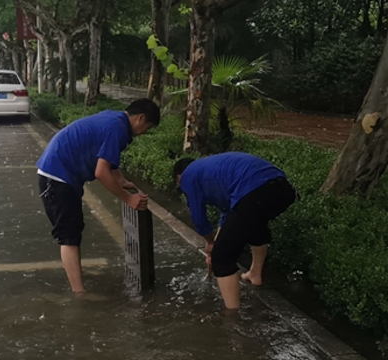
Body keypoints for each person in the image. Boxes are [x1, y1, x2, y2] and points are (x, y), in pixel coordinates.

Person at [37, 98, 161, 295]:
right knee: (69, 236)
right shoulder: (118, 129)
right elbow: (101, 172)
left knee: (74, 230)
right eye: (147, 127)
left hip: (59, 173)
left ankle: (78, 283)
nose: (145, 132)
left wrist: (119, 179)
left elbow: (105, 154)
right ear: (141, 118)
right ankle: (80, 294)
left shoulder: (116, 119)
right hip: (57, 177)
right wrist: (129, 199)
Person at [173, 152, 298, 309]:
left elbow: (198, 216)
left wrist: (210, 243)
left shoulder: (188, 176)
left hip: (255, 193)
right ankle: (255, 274)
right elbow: (229, 213)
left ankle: (232, 316)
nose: (184, 190)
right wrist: (216, 242)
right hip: (283, 190)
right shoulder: (211, 170)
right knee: (253, 223)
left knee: (222, 258)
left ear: (179, 177)